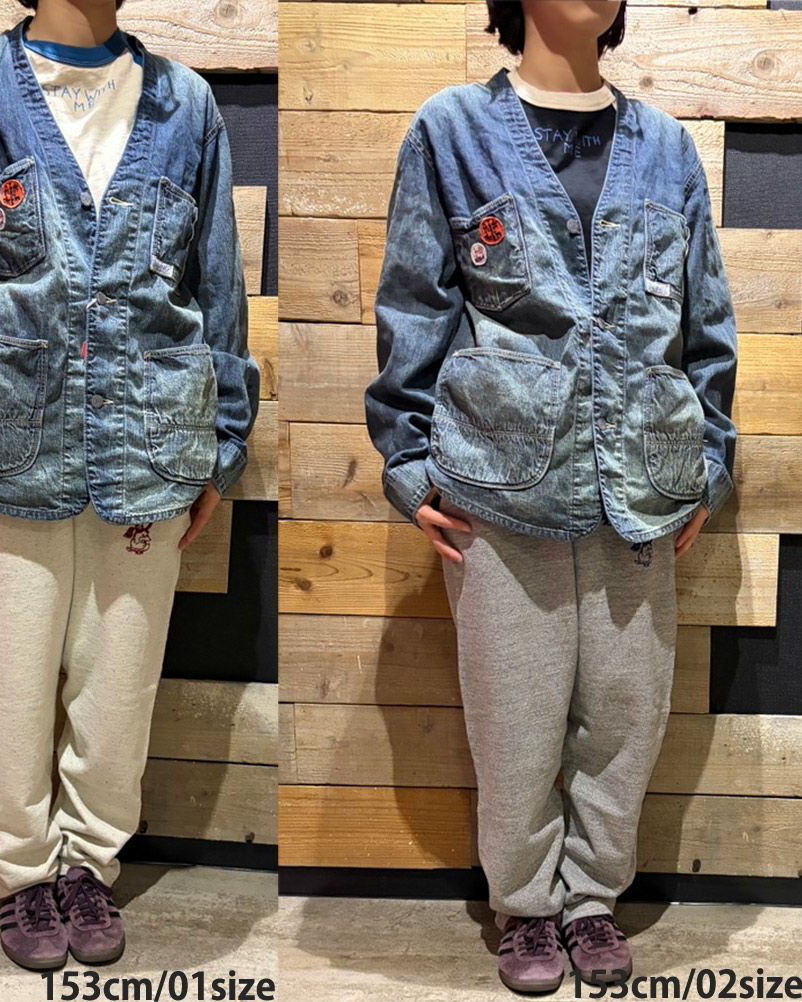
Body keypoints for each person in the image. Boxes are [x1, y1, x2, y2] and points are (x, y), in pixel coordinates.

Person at [0, 0, 259, 972]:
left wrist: (221, 441)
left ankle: (91, 862)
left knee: (120, 683)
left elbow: (217, 285)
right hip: (4, 444)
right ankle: (19, 872)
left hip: (153, 442)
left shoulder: (186, 104)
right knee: (6, 683)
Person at [364, 0, 736, 993]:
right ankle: (526, 906)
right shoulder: (451, 130)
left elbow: (706, 322)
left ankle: (593, 899)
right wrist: (409, 464)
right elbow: (414, 305)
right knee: (514, 717)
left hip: (644, 486)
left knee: (625, 715)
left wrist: (710, 459)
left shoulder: (668, 149)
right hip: (499, 485)